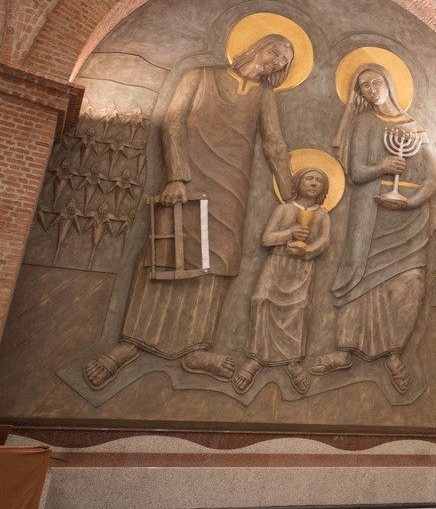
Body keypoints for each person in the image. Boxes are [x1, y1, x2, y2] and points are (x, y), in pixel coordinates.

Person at [84, 35, 296, 389]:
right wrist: (177, 176)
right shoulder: (200, 75)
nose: (277, 61)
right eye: (275, 51)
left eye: (285, 61)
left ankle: (196, 348)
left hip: (232, 185)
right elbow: (173, 122)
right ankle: (129, 343)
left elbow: (274, 143)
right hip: (189, 177)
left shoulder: (264, 96)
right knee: (166, 252)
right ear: (256, 45)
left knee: (216, 259)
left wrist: (290, 192)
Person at [308, 64, 436, 394]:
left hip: (408, 219)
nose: (369, 89)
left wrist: (409, 202)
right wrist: (382, 166)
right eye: (363, 86)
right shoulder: (365, 122)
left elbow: (430, 177)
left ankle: (394, 353)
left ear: (389, 83)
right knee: (361, 274)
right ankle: (345, 350)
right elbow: (354, 170)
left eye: (375, 82)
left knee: (411, 281)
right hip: (370, 212)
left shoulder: (414, 127)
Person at [232, 167, 332, 395]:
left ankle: (293, 362)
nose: (314, 183)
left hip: (301, 268)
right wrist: (290, 233)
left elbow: (324, 242)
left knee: (297, 310)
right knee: (261, 301)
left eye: (319, 180)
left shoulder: (322, 215)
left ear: (324, 189)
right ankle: (254, 359)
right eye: (309, 178)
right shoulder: (284, 209)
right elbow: (267, 238)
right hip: (276, 263)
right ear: (298, 183)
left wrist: (307, 251)